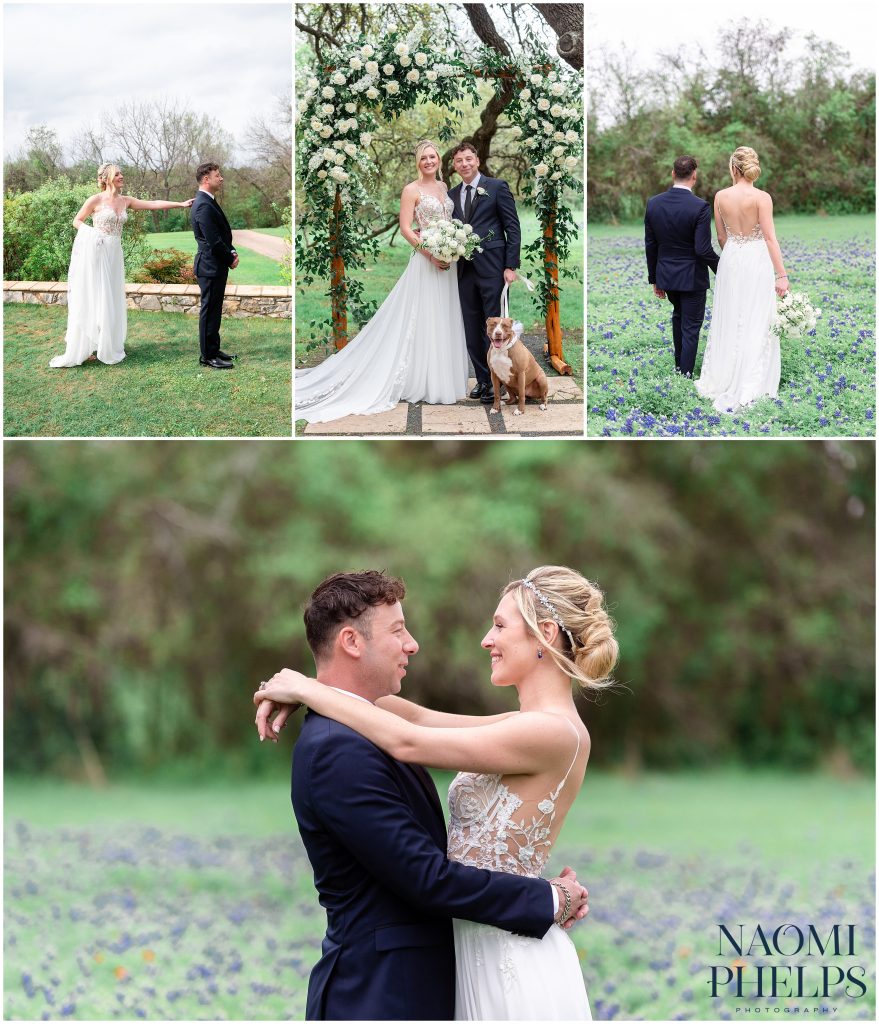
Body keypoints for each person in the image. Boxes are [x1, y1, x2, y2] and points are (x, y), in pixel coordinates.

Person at [254, 566, 618, 1020]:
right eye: (399, 631)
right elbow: (416, 720)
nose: (487, 639)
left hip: (505, 952)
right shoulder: (519, 726)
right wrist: (310, 688)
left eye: (500, 626)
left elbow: (409, 741)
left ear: (545, 635)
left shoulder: (552, 733)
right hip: (465, 950)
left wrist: (308, 687)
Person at [294, 141, 469, 422]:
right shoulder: (411, 190)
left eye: (432, 157)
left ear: (439, 160)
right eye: (423, 157)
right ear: (417, 161)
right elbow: (405, 229)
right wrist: (430, 254)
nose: (428, 161)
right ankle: (423, 382)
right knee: (423, 317)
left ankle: (440, 378)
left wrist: (450, 247)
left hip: (448, 263)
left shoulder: (444, 187)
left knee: (442, 317)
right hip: (426, 263)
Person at [49, 163, 194, 367]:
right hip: (98, 251)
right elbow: (77, 221)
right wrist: (92, 234)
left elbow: (153, 204)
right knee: (96, 296)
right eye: (117, 174)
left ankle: (107, 343)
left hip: (115, 254)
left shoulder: (126, 201)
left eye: (121, 173)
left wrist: (180, 204)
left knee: (112, 297)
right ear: (107, 178)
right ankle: (88, 343)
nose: (121, 176)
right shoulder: (95, 200)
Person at [695, 146, 789, 412]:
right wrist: (781, 274)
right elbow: (770, 238)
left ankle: (723, 375)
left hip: (731, 259)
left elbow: (722, 236)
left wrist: (734, 256)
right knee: (756, 316)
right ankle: (751, 379)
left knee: (730, 315)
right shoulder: (762, 197)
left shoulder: (720, 196)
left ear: (733, 168)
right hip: (757, 259)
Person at [448, 142, 522, 403]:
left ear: (477, 160)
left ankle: (499, 382)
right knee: (472, 327)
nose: (464, 164)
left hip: (493, 267)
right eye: (459, 161)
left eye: (468, 159)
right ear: (455, 165)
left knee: (496, 328)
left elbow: (512, 227)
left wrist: (510, 265)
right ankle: (483, 379)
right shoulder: (452, 194)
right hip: (465, 269)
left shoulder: (496, 187)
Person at [645, 155, 720, 378]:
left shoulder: (654, 203)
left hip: (667, 276)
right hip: (692, 278)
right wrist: (723, 269)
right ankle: (685, 373)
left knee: (679, 316)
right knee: (691, 326)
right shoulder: (700, 207)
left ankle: (680, 367)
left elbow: (651, 244)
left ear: (673, 173)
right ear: (694, 176)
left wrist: (655, 278)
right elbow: (703, 249)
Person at [191, 162, 239, 369]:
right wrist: (229, 258)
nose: (221, 178)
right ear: (206, 179)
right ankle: (207, 356)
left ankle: (214, 349)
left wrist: (232, 250)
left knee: (215, 310)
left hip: (216, 264)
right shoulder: (202, 204)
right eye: (217, 175)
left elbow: (220, 235)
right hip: (210, 266)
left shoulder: (208, 200)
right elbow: (212, 239)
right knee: (209, 310)